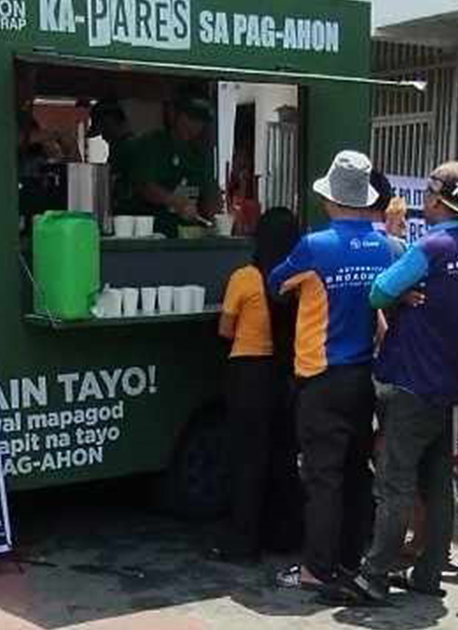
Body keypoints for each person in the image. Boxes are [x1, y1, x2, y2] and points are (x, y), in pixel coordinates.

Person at [360, 162, 458, 603]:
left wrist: (401, 293)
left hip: (410, 379)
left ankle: (374, 575)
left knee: (395, 483)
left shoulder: (431, 246)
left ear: (436, 201)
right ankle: (428, 574)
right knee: (438, 484)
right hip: (447, 383)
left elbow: (378, 292)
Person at [269, 151, 393, 604]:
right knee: (356, 474)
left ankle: (316, 571)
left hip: (320, 377)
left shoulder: (315, 246)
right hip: (364, 376)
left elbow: (276, 283)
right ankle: (350, 560)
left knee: (322, 478)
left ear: (330, 200)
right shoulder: (387, 246)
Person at [209, 207, 301, 563]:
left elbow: (224, 331)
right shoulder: (299, 279)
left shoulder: (244, 278)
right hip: (288, 375)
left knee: (248, 459)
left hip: (248, 375)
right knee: (283, 456)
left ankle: (243, 543)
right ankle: (284, 535)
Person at [128, 96, 218, 238]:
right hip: (153, 234)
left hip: (188, 235)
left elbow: (208, 192)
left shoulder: (199, 155)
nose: (194, 126)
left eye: (200, 122)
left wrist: (215, 220)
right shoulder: (153, 143)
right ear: (173, 114)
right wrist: (175, 201)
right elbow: (145, 186)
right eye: (190, 118)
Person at [87, 100, 137, 215]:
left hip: (128, 212)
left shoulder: (123, 147)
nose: (103, 137)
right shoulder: (124, 145)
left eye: (103, 130)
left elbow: (111, 182)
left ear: (110, 123)